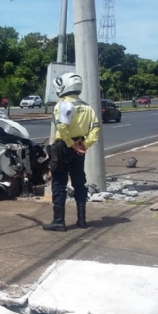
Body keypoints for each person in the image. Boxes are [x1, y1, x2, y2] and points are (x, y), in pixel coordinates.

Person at [43, 72, 101, 232]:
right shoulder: (87, 107)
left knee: (59, 184)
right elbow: (95, 128)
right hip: (80, 148)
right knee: (79, 183)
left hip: (63, 147)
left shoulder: (63, 105)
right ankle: (82, 220)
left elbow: (61, 126)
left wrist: (71, 144)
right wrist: (84, 145)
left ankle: (59, 222)